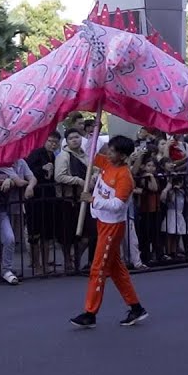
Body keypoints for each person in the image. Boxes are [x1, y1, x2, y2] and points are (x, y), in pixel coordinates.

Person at [70, 135, 149, 328]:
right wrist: (92, 135)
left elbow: (118, 204)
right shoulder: (106, 163)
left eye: (112, 151)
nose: (108, 152)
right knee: (116, 270)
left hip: (112, 227)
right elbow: (90, 154)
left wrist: (93, 200)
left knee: (97, 268)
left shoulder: (125, 176)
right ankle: (136, 308)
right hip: (102, 222)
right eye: (109, 149)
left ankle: (90, 313)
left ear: (122, 155)